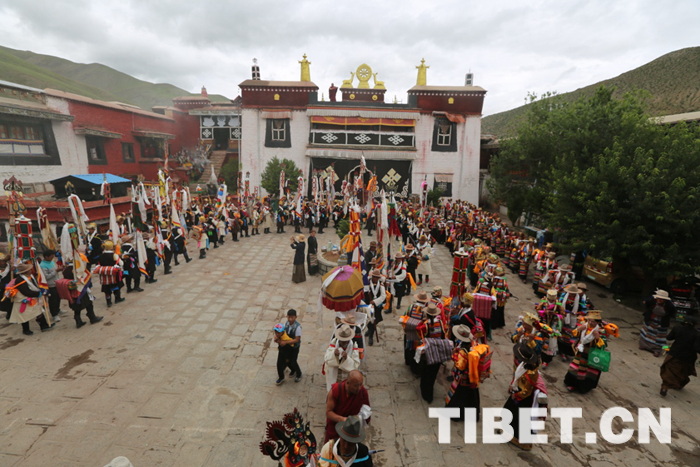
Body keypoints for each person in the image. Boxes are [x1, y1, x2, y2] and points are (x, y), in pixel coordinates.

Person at [504, 343, 547, 451]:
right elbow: (517, 378)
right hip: (518, 390)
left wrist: (515, 395)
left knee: (521, 419)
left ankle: (523, 442)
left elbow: (527, 391)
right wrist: (512, 386)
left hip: (523, 398)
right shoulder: (523, 365)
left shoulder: (531, 373)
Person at [446, 325, 485, 420]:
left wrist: (454, 355)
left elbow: (460, 365)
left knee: (460, 395)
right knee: (471, 395)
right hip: (472, 376)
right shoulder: (473, 344)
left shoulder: (463, 351)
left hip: (463, 377)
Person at [564, 310, 608, 393]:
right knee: (576, 368)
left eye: (593, 321)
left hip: (591, 353)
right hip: (581, 351)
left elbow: (604, 344)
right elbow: (574, 334)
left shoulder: (601, 330)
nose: (590, 323)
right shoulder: (584, 326)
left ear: (598, 322)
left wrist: (597, 337)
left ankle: (583, 387)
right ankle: (572, 384)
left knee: (588, 372)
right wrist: (579, 329)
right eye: (589, 320)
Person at [416, 303, 450, 403]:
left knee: (426, 372)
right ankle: (430, 393)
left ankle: (425, 392)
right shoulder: (440, 323)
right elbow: (443, 335)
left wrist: (421, 322)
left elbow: (418, 330)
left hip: (428, 353)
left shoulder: (425, 325)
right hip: (438, 353)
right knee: (433, 374)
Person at [325, 370, 371, 442]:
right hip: (335, 428)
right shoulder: (336, 391)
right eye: (355, 385)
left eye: (360, 384)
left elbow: (367, 412)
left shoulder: (362, 392)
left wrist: (358, 420)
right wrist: (343, 419)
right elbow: (329, 412)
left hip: (351, 431)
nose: (359, 388)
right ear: (347, 383)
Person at [660, 316, 700, 396]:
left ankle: (665, 387)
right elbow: (696, 348)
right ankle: (679, 385)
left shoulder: (677, 328)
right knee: (682, 372)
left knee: (668, 371)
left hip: (674, 354)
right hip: (688, 358)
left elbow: (669, 337)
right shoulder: (697, 334)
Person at [8, 262, 51, 335]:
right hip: (23, 300)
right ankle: (26, 330)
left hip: (31, 298)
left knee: (38, 311)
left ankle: (44, 326)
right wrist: (38, 294)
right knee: (24, 316)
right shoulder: (20, 280)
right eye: (29, 270)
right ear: (25, 272)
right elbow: (26, 292)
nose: (31, 270)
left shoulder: (30, 277)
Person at [324, 324, 361, 393]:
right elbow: (326, 358)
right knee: (334, 391)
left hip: (346, 376)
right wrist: (334, 354)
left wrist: (347, 358)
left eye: (345, 340)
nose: (343, 342)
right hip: (334, 374)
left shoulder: (354, 346)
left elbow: (355, 365)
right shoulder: (334, 342)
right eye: (341, 340)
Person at [640, 289, 676, 357]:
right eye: (658, 299)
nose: (659, 300)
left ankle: (657, 350)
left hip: (661, 322)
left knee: (659, 336)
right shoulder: (651, 300)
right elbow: (647, 304)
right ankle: (644, 345)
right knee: (647, 332)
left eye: (662, 299)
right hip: (651, 319)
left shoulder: (669, 305)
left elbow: (672, 312)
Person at [273, 309, 302, 385]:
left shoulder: (298, 327)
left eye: (292, 317)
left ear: (295, 317)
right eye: (289, 317)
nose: (290, 319)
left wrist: (285, 342)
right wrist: (277, 337)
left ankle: (298, 373)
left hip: (294, 348)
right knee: (281, 362)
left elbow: (296, 340)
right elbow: (280, 332)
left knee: (292, 361)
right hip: (284, 347)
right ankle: (281, 377)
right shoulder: (285, 324)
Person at [96, 240, 126, 307]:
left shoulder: (100, 256)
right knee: (116, 287)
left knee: (106, 289)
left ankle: (108, 302)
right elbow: (121, 263)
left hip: (104, 275)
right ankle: (117, 298)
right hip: (114, 274)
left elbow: (98, 264)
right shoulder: (114, 255)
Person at [39, 250, 66, 322]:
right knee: (53, 300)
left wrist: (60, 268)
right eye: (51, 256)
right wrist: (56, 271)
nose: (52, 258)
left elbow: (55, 270)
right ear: (46, 257)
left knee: (58, 297)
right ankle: (54, 314)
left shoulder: (51, 262)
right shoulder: (42, 265)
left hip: (56, 283)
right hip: (50, 285)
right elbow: (46, 277)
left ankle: (58, 310)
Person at [364, 269, 386, 346]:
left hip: (377, 306)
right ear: (372, 276)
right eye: (374, 277)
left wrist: (374, 301)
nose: (376, 279)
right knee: (367, 319)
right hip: (368, 305)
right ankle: (369, 330)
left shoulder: (381, 286)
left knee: (374, 320)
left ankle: (371, 335)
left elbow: (383, 296)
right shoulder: (367, 284)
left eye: (377, 277)